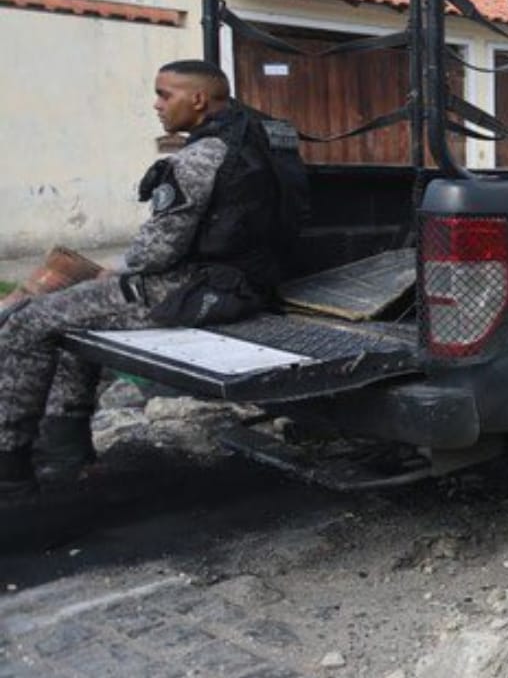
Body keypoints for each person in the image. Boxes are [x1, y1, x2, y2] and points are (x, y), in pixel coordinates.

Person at [0, 60, 291, 495]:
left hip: (193, 290)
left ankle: (10, 467)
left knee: (26, 321)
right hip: (234, 283)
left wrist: (114, 269)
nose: (156, 105)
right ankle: (65, 456)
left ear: (197, 99)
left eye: (164, 94)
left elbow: (157, 251)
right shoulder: (251, 138)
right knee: (68, 315)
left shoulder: (198, 157)